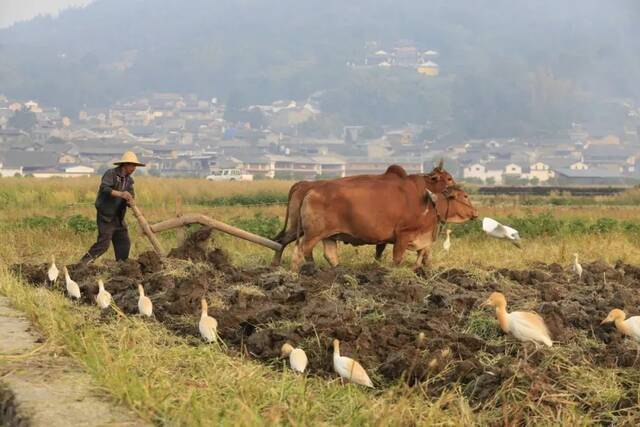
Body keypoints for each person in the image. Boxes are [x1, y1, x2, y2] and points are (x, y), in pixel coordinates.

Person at [80, 151, 145, 264]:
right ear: (125, 164)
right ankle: (82, 263)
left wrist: (130, 201)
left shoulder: (129, 180)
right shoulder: (111, 174)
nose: (134, 168)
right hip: (106, 216)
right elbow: (104, 188)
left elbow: (130, 196)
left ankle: (121, 267)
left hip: (118, 217)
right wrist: (121, 194)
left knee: (124, 243)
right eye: (132, 165)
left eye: (135, 166)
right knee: (103, 245)